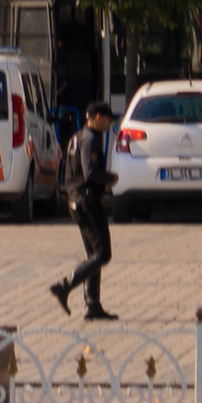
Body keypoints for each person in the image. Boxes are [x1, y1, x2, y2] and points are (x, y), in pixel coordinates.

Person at [49, 100, 114, 321]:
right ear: (97, 117)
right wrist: (110, 179)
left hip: (75, 200)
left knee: (93, 255)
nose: (109, 123)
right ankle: (65, 285)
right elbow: (90, 173)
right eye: (107, 118)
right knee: (103, 254)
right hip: (88, 201)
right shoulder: (91, 139)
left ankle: (92, 305)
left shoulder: (77, 137)